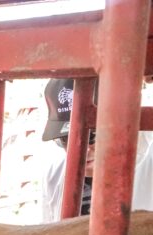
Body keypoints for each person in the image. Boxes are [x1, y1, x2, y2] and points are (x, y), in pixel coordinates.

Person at [40, 78, 153, 222]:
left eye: (92, 135)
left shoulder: (149, 161)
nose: (84, 149)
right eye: (65, 139)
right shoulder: (53, 175)